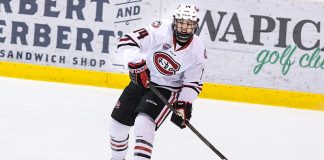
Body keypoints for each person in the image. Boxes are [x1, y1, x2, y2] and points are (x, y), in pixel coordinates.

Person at [109, 3, 207, 160]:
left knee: (143, 124)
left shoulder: (198, 50)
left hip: (167, 90)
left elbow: (193, 83)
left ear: (195, 26)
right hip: (142, 80)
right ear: (175, 21)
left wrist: (183, 104)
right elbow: (126, 42)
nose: (184, 28)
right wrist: (137, 64)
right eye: (181, 22)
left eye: (189, 24)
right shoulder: (159, 30)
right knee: (117, 127)